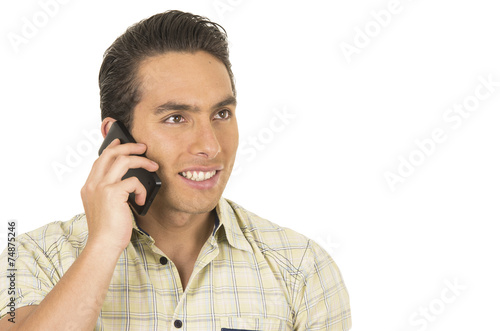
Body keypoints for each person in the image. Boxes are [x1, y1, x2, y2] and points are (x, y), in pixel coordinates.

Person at [0, 10, 351, 330]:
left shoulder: (302, 267)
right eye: (176, 118)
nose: (210, 146)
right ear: (116, 138)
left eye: (221, 114)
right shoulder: (31, 256)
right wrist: (103, 245)